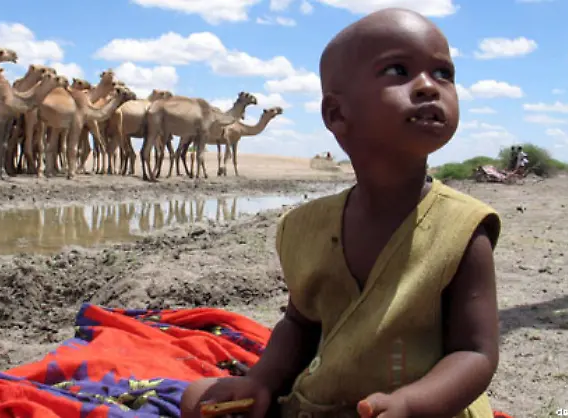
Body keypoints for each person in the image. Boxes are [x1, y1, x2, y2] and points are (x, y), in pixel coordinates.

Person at [181, 7, 501, 418]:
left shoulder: (462, 230)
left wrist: (411, 404)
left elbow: (475, 353)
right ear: (336, 114)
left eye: (443, 74)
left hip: (426, 409)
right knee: (198, 399)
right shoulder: (308, 226)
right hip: (324, 402)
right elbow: (300, 324)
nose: (428, 87)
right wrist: (260, 380)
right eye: (398, 71)